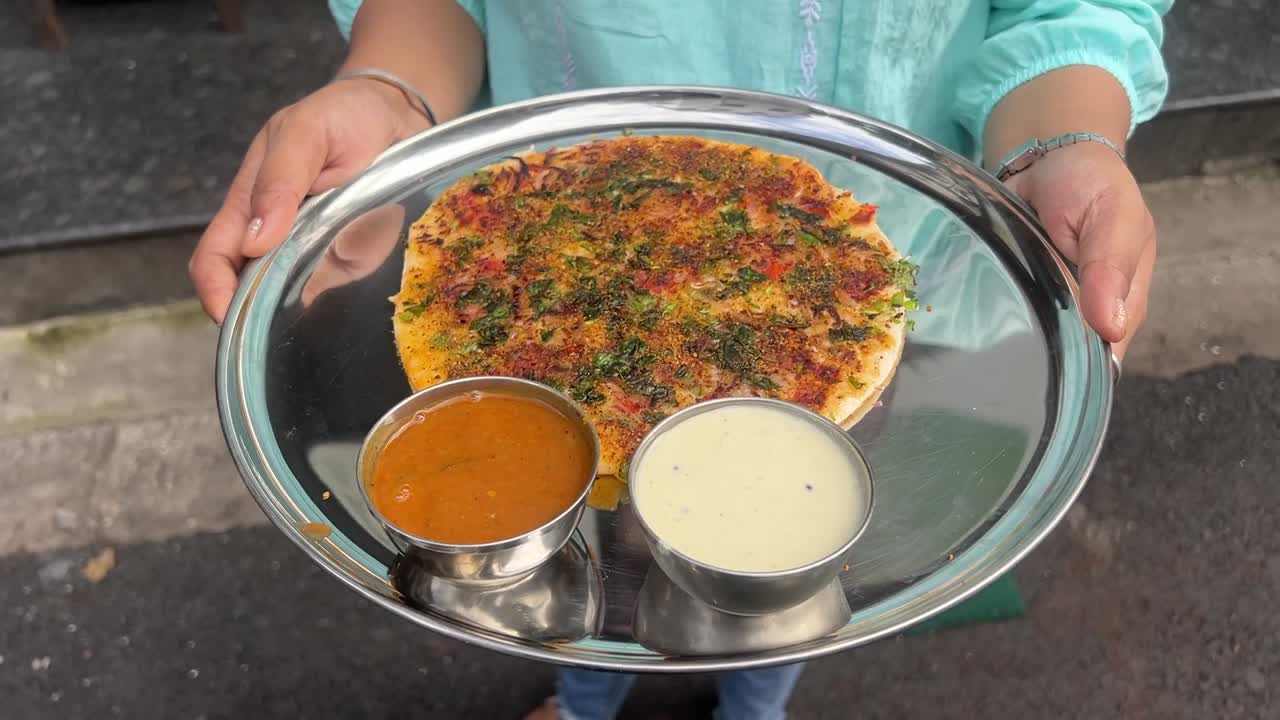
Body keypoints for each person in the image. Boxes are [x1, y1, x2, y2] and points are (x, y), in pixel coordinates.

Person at [190, 1, 1171, 717]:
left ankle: (752, 706)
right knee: (575, 557)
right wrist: (387, 86)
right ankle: (586, 697)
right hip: (531, 243)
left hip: (889, 267)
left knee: (794, 545)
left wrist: (1059, 139)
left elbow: (1070, 13)